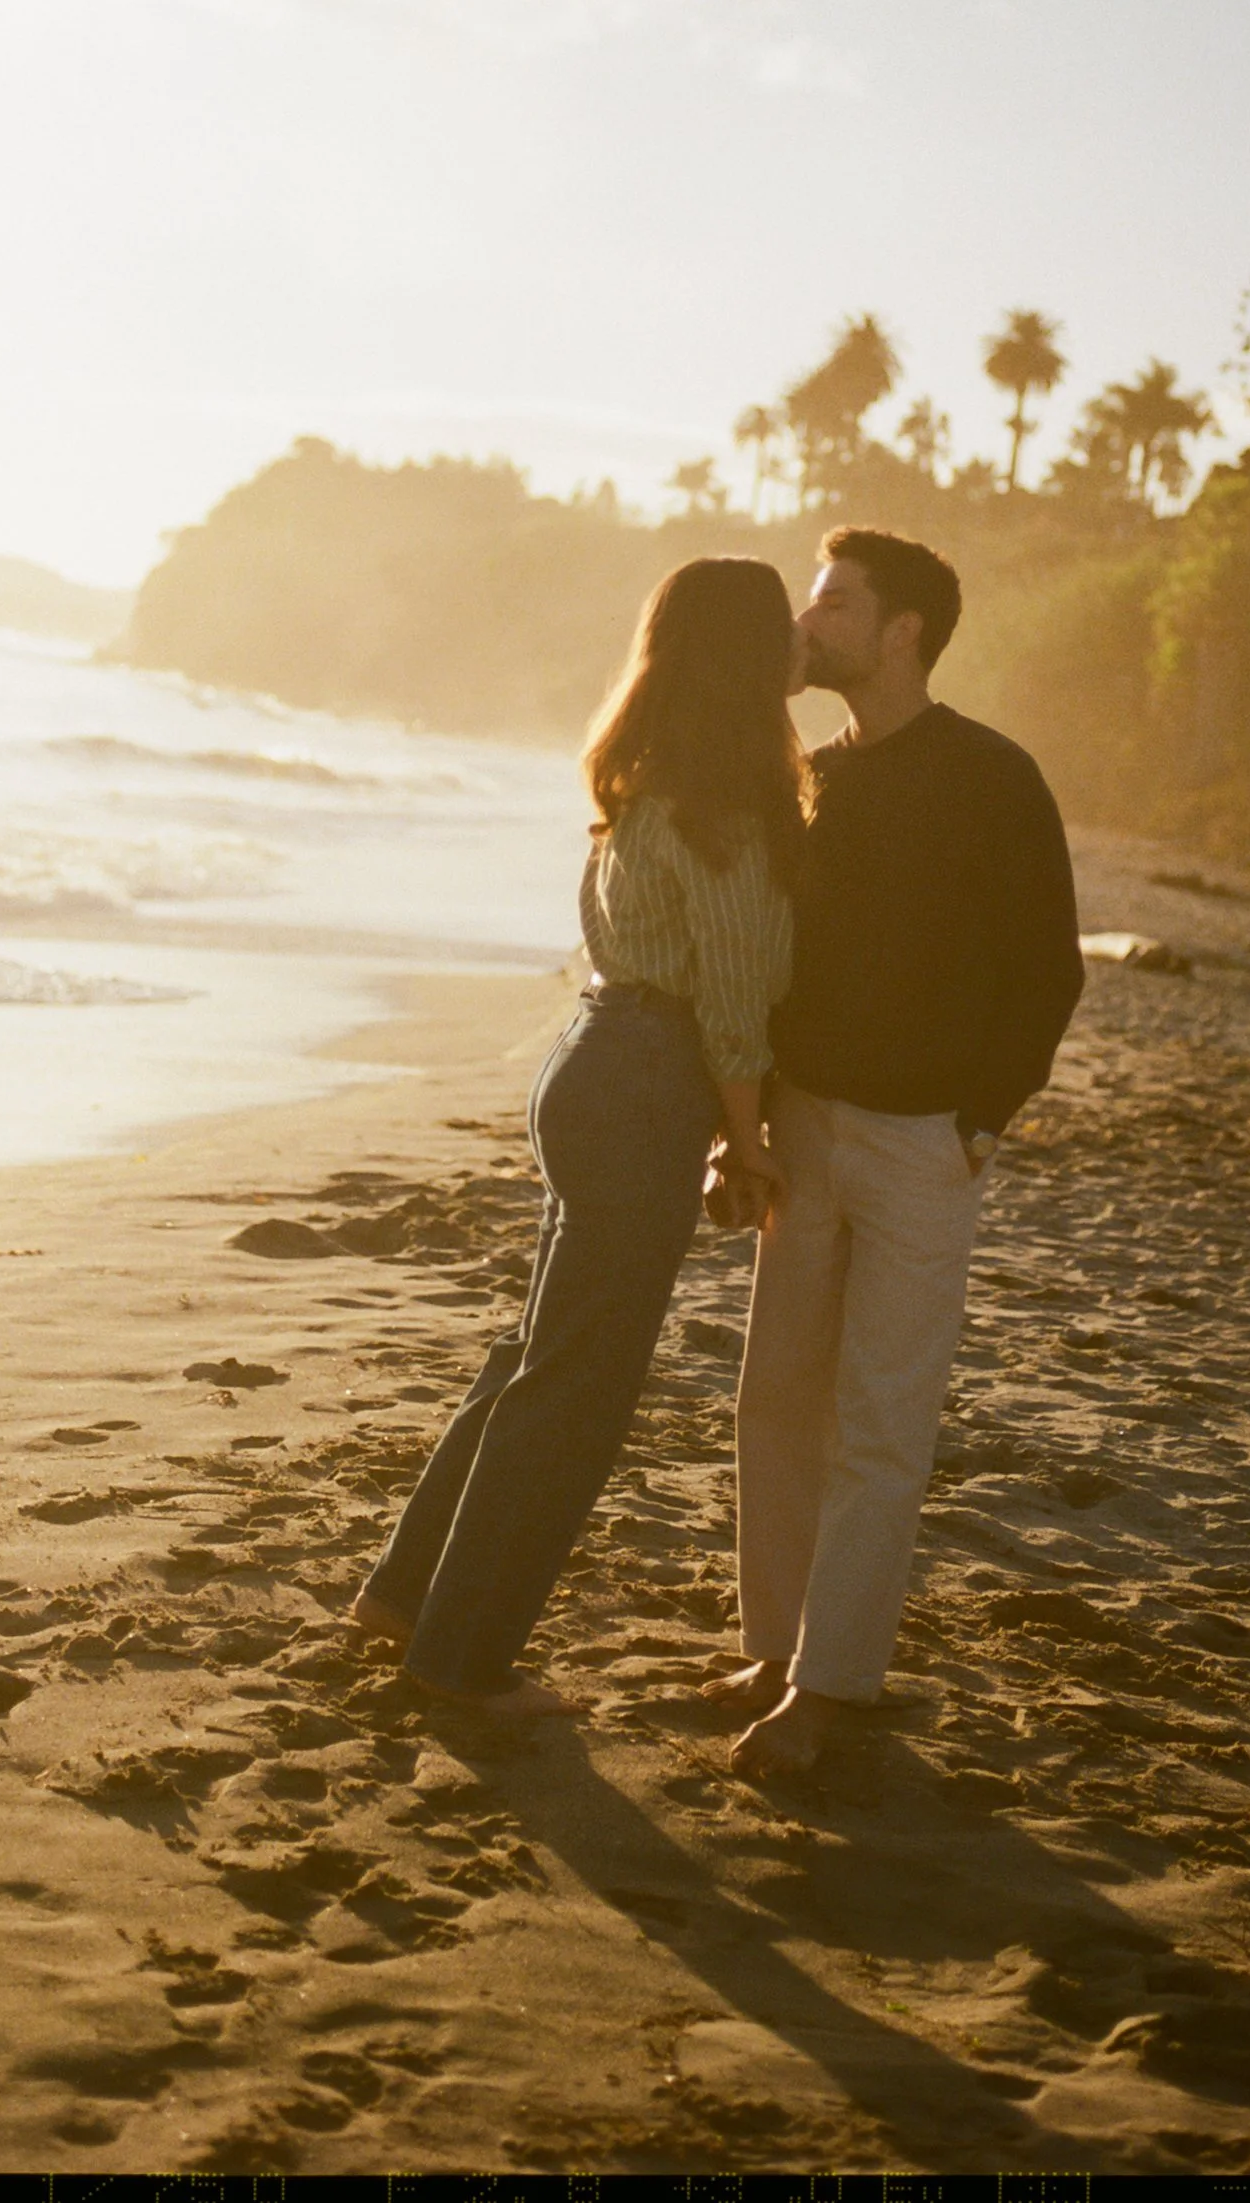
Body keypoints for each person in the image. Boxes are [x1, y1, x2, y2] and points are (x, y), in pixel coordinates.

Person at [346, 556, 805, 1716]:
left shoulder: (642, 782)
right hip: (646, 1084)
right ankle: (460, 1661)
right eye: (782, 626)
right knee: (577, 1390)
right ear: (749, 657)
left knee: (532, 1356)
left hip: (587, 1062)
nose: (801, 637)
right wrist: (745, 1148)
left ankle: (405, 1597)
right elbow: (736, 1007)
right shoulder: (724, 814)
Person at [705, 526, 1084, 1775]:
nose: (806, 627)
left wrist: (979, 1123)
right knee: (776, 1399)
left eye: (832, 606)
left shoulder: (991, 776)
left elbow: (1047, 969)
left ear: (903, 630)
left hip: (927, 1144)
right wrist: (747, 1125)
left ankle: (830, 1689)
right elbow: (758, 961)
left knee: (880, 1416)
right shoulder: (811, 773)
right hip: (805, 1126)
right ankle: (772, 1651)